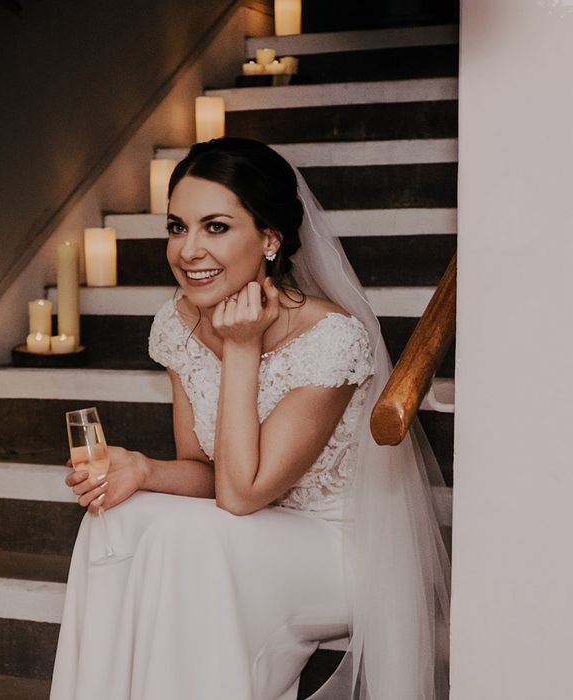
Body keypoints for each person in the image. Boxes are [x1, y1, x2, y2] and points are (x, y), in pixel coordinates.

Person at [50, 138, 450, 700]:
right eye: (176, 227)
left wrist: (242, 349)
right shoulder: (178, 324)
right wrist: (141, 469)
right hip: (244, 531)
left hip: (339, 551)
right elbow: (201, 468)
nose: (188, 251)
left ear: (269, 239)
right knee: (113, 518)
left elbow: (242, 494)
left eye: (215, 227)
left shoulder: (329, 339)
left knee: (184, 536)